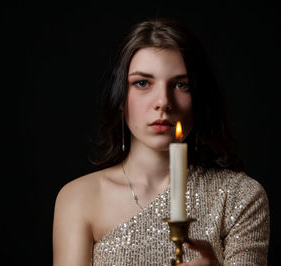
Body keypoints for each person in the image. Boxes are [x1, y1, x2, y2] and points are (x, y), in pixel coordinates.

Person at [52, 17, 270, 265]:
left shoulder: (241, 196)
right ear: (121, 98)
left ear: (200, 99)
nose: (163, 101)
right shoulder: (79, 198)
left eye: (181, 85)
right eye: (142, 83)